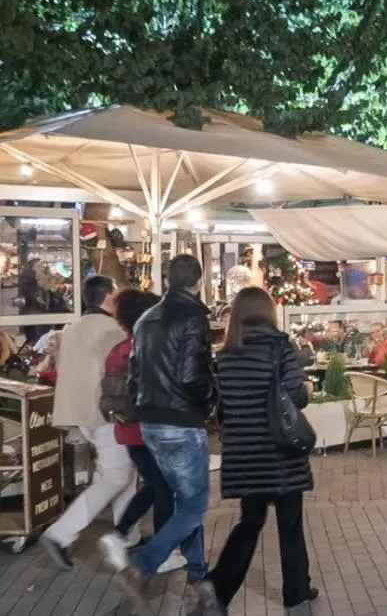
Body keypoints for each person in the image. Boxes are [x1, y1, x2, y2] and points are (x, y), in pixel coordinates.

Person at [112, 255, 219, 614]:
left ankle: (197, 574)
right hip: (181, 421)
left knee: (184, 496)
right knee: (194, 503)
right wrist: (209, 401)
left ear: (168, 279)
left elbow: (135, 375)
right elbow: (192, 376)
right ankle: (143, 566)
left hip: (150, 422)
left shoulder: (145, 319)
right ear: (198, 282)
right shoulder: (191, 317)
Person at [204, 287, 318, 614]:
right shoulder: (279, 347)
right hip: (280, 452)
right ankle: (296, 595)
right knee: (290, 524)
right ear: (268, 312)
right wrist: (306, 389)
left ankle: (217, 589)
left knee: (249, 522)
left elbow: (219, 406)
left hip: (245, 454)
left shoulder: (225, 355)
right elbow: (295, 396)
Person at [40, 276, 130, 569]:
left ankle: (128, 532)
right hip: (106, 414)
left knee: (124, 471)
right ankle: (60, 533)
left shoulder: (73, 327)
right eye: (115, 293)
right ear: (107, 298)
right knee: (115, 476)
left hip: (80, 414)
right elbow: (120, 374)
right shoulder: (112, 330)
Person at [97, 289, 188, 575]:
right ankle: (160, 553)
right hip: (153, 430)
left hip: (127, 430)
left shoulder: (117, 351)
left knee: (155, 485)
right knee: (165, 489)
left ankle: (120, 533)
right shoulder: (151, 348)